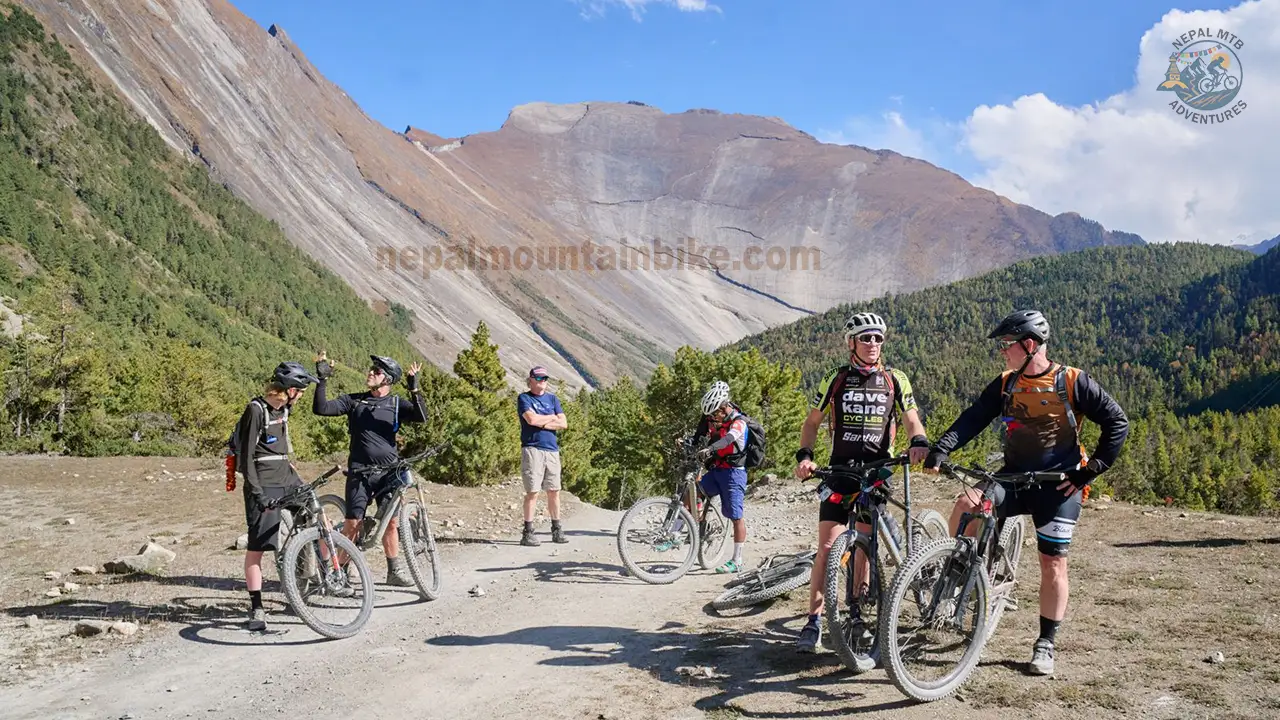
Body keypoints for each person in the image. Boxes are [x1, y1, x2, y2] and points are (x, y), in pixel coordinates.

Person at [924, 309, 1129, 676]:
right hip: (1014, 478)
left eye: (1007, 344)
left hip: (1059, 485)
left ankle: (1046, 642)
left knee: (1053, 563)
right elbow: (975, 416)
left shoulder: (1072, 381)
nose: (1002, 351)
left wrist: (1089, 471)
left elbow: (1117, 422)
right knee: (967, 504)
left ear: (1030, 345)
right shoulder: (1006, 382)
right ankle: (956, 577)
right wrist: (942, 447)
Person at [792, 312, 930, 653]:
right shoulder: (836, 378)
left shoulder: (895, 379)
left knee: (865, 547)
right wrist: (805, 456)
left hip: (877, 471)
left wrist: (919, 440)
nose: (873, 343)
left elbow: (911, 418)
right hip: (841, 470)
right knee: (827, 548)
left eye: (878, 338)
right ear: (851, 342)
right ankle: (813, 621)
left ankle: (856, 615)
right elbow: (812, 422)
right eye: (865, 337)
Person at [312, 352, 427, 586]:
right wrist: (322, 379)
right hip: (360, 473)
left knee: (390, 522)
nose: (370, 373)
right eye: (371, 369)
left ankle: (393, 571)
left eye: (377, 371)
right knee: (353, 525)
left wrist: (414, 389)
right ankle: (340, 573)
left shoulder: (396, 404)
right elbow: (321, 408)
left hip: (388, 474)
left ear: (388, 379)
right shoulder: (354, 401)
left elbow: (422, 417)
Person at [238, 361, 318, 632]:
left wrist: (322, 377)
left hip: (287, 477)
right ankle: (257, 608)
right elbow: (246, 457)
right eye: (301, 391)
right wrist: (257, 494)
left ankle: (309, 581)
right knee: (257, 548)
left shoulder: (284, 407)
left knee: (315, 513)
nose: (302, 397)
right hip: (264, 482)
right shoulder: (256, 410)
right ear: (290, 390)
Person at [683, 380, 751, 573]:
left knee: (736, 516)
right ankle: (679, 533)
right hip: (717, 470)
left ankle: (737, 560)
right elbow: (701, 433)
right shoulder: (714, 419)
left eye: (714, 414)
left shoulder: (739, 422)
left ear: (724, 408)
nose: (712, 418)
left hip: (734, 474)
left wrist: (710, 449)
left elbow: (728, 439)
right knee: (692, 494)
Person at [518, 366, 568, 546]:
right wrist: (551, 418)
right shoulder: (524, 398)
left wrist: (542, 421)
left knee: (554, 490)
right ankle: (528, 532)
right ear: (531, 380)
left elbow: (564, 423)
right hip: (533, 449)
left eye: (545, 378)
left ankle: (556, 529)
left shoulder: (553, 399)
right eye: (539, 378)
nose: (542, 381)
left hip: (552, 450)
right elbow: (531, 420)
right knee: (533, 491)